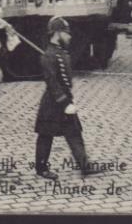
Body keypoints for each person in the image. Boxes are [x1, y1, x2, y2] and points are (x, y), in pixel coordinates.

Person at [34, 16, 99, 180]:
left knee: (75, 133)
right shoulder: (49, 55)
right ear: (57, 33)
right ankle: (41, 168)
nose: (69, 37)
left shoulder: (60, 52)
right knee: (45, 135)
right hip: (53, 102)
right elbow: (52, 82)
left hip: (64, 100)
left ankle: (85, 166)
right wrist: (64, 102)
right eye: (66, 33)